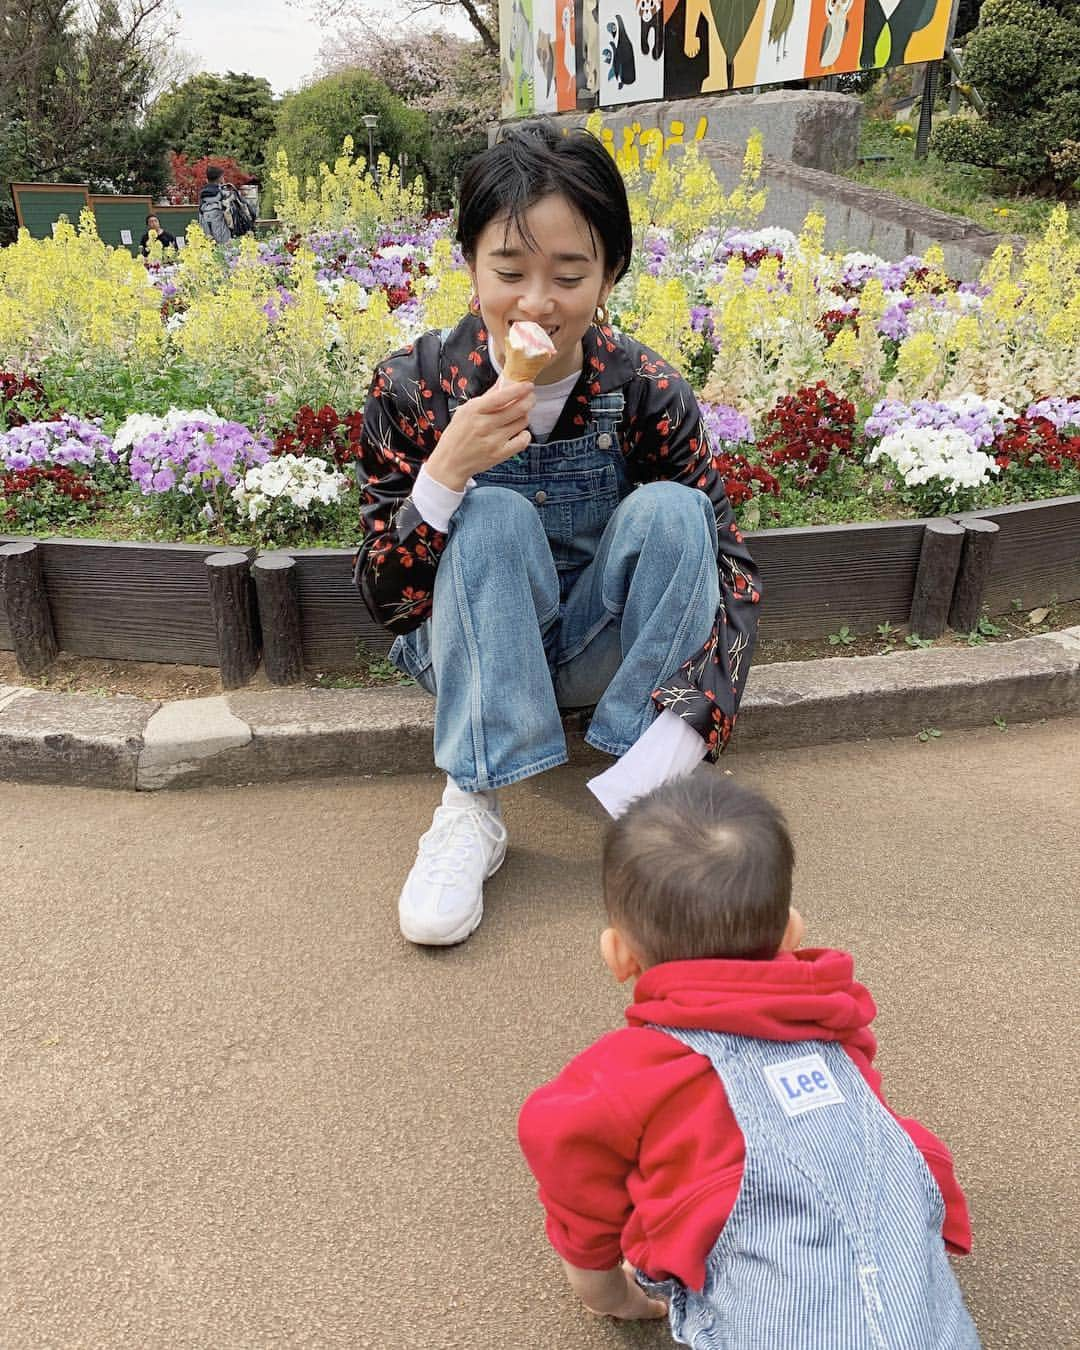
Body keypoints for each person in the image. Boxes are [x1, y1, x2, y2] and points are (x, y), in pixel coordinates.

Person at [353, 122, 762, 946]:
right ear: (469, 264)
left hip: (596, 652)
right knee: (494, 512)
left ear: (609, 273)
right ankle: (472, 804)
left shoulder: (643, 387)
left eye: (569, 274)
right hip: (463, 655)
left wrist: (686, 734)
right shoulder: (415, 387)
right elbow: (387, 605)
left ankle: (648, 796)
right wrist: (443, 476)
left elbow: (731, 569)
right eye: (509, 271)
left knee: (677, 511)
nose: (536, 302)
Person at [518, 774, 980, 1345]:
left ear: (618, 955)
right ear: (792, 932)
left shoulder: (624, 1076)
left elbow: (571, 1176)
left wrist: (612, 1295)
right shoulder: (833, 1021)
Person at [197, 165, 255, 244]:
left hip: (208, 237)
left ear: (207, 180)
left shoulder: (202, 197)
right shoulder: (227, 194)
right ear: (220, 178)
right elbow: (246, 211)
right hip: (226, 238)